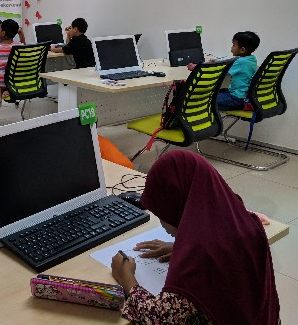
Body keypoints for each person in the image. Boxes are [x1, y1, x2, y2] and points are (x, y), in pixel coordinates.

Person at [111, 150, 279, 325]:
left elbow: (161, 320)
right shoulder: (242, 218)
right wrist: (181, 247)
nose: (162, 224)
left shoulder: (201, 257)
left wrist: (127, 279)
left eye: (161, 215)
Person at [189, 31, 260, 111]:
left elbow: (218, 71)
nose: (231, 48)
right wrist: (217, 61)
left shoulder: (240, 62)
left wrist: (196, 67)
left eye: (234, 45)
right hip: (243, 95)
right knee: (212, 95)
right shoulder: (252, 59)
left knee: (204, 101)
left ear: (242, 50)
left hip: (237, 98)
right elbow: (229, 64)